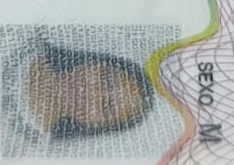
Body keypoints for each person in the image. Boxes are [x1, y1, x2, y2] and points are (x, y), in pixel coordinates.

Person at [23, 40, 155, 139]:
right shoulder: (30, 42)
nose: (93, 93)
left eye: (105, 106)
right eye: (106, 81)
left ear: (95, 125)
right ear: (96, 62)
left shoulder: (30, 143)